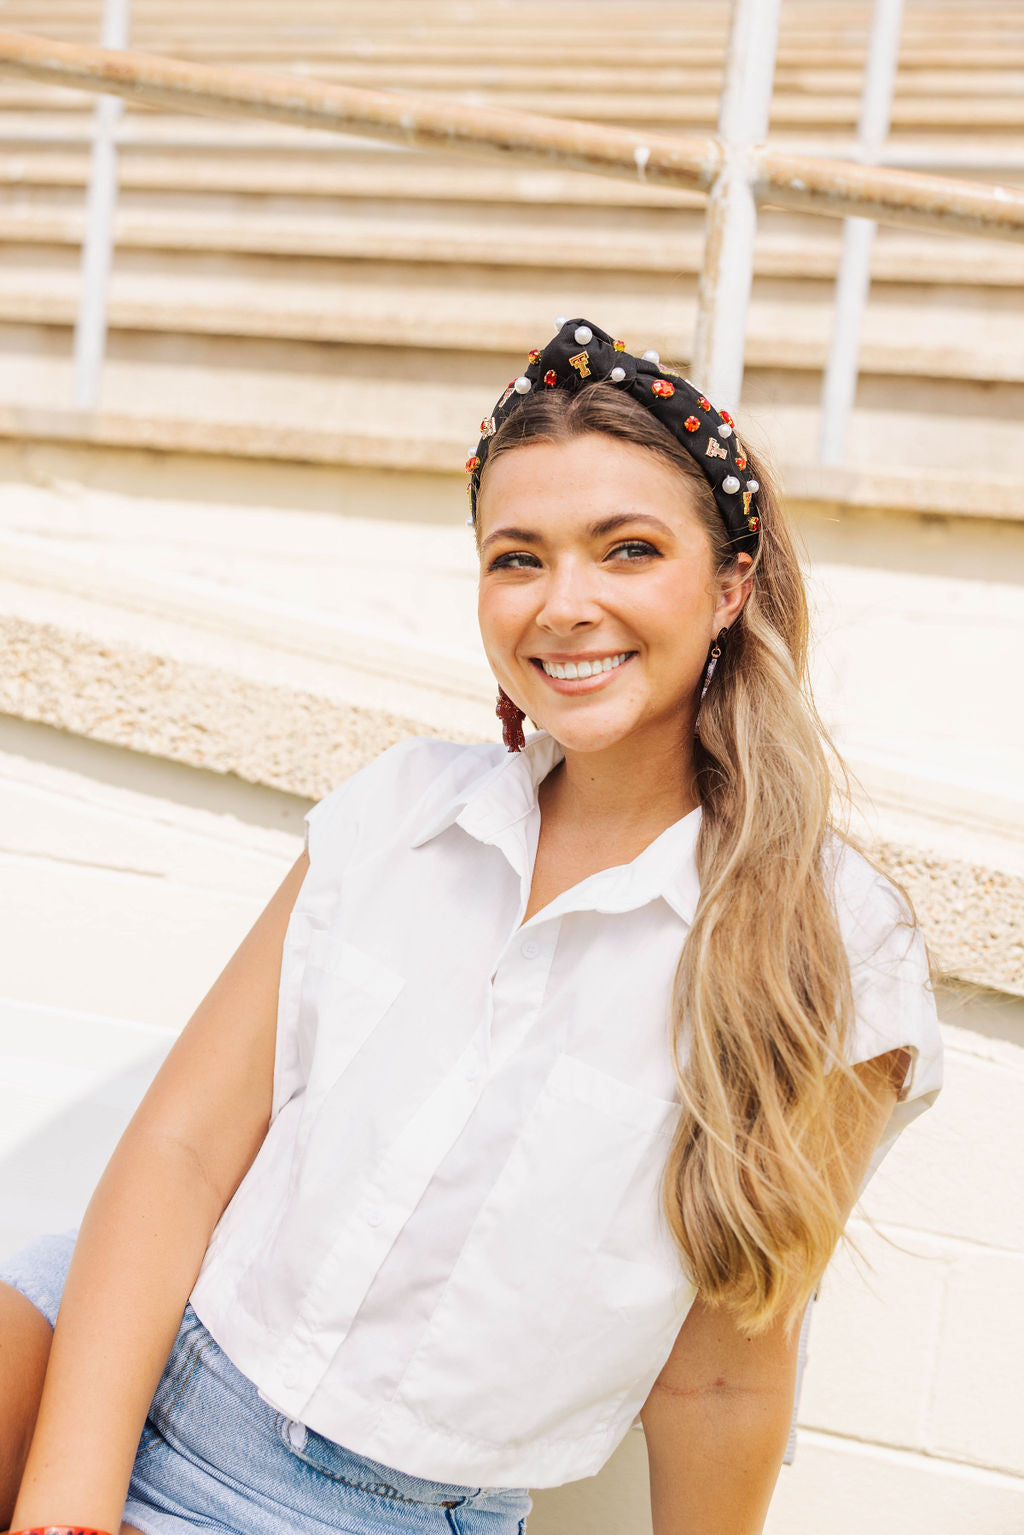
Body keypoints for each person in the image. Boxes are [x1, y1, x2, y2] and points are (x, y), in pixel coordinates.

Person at [0, 317, 943, 1535]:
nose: (564, 605)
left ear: (728, 583)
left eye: (627, 549)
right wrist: (65, 1509)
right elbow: (179, 1154)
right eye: (517, 557)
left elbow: (718, 1373)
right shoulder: (396, 813)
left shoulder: (832, 950)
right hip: (106, 1357)